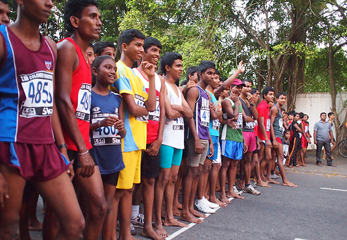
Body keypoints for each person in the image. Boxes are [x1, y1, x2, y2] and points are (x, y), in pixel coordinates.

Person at [0, 0, 85, 239]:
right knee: (8, 226)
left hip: (46, 146)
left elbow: (49, 105)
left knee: (74, 223)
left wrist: (61, 149)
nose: (50, 3)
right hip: (11, 142)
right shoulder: (3, 39)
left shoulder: (50, 46)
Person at [54, 1, 108, 239]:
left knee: (99, 207)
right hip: (66, 145)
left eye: (99, 17)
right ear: (75, 21)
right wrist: (80, 149)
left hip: (82, 143)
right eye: (92, 16)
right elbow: (62, 101)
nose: (99, 22)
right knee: (58, 217)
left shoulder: (86, 58)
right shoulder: (66, 48)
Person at [109, 29, 157, 239]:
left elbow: (151, 105)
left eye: (142, 45)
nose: (141, 49)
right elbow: (134, 107)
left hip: (138, 140)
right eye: (137, 45)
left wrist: (152, 77)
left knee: (128, 190)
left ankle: (125, 233)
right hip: (124, 141)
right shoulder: (119, 70)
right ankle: (112, 233)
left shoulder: (137, 76)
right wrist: (144, 109)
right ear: (124, 47)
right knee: (117, 192)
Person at [154, 52, 193, 237]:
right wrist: (181, 110)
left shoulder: (177, 89)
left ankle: (169, 216)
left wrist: (178, 108)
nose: (181, 69)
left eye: (181, 65)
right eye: (177, 65)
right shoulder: (162, 83)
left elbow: (190, 113)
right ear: (167, 67)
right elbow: (168, 113)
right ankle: (157, 218)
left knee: (172, 179)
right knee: (162, 179)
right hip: (166, 139)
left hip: (178, 140)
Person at [133, 37, 167, 240]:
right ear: (142, 52)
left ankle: (149, 224)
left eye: (159, 51)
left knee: (149, 182)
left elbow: (161, 111)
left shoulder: (159, 80)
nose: (156, 54)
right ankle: (128, 218)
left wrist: (159, 138)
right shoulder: (134, 75)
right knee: (132, 183)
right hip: (136, 137)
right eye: (153, 50)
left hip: (153, 138)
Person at [89, 56, 126, 240]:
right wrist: (100, 123)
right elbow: (80, 127)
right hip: (94, 157)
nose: (112, 71)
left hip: (113, 157)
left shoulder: (117, 99)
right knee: (94, 205)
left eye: (114, 69)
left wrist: (121, 129)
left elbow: (123, 133)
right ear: (95, 71)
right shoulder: (87, 95)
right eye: (107, 67)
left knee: (108, 204)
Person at [182, 60, 214, 222]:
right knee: (191, 171)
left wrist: (209, 140)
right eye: (209, 73)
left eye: (213, 73)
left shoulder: (206, 94)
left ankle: (190, 208)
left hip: (203, 136)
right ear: (200, 74)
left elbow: (205, 119)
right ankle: (185, 210)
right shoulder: (194, 91)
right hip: (193, 137)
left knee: (197, 172)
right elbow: (189, 115)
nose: (212, 76)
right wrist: (195, 138)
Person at [220, 79, 249, 202]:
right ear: (231, 87)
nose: (238, 89)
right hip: (228, 136)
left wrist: (243, 139)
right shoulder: (227, 101)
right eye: (236, 87)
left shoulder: (239, 103)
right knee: (226, 164)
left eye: (240, 87)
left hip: (238, 136)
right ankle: (222, 192)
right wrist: (237, 102)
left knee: (235, 165)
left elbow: (241, 121)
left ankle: (231, 190)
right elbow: (234, 116)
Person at [205, 71, 227, 206]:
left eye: (218, 78)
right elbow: (214, 116)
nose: (217, 81)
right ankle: (203, 196)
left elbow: (218, 116)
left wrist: (218, 113)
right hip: (209, 134)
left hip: (215, 134)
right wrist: (219, 112)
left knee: (214, 166)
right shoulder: (207, 94)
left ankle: (209, 195)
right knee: (206, 168)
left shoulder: (214, 96)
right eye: (214, 77)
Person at [269, 92, 297, 187]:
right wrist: (273, 139)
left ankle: (268, 176)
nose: (283, 100)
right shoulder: (274, 109)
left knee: (273, 157)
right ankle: (284, 180)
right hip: (276, 136)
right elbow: (271, 124)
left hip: (279, 135)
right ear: (277, 99)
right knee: (280, 157)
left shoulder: (280, 110)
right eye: (281, 98)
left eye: (285, 98)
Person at [239, 80, 261, 195]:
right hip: (242, 132)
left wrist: (252, 103)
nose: (248, 89)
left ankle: (247, 184)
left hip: (251, 132)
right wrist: (251, 119)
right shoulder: (239, 100)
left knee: (248, 159)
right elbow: (245, 118)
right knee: (237, 160)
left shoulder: (249, 101)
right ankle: (236, 183)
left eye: (250, 87)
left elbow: (256, 116)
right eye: (246, 86)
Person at [257, 87, 278, 185]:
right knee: (261, 157)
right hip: (262, 136)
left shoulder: (267, 107)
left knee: (267, 157)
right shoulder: (261, 106)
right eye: (270, 94)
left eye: (273, 95)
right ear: (264, 95)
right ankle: (258, 177)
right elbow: (261, 124)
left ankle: (262, 176)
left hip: (267, 135)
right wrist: (266, 139)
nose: (272, 96)